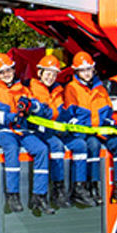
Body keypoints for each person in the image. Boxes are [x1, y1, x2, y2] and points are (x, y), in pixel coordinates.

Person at [0, 53, 51, 214]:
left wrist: (30, 105)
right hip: (1, 131)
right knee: (11, 147)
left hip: (22, 130)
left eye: (8, 70)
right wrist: (10, 118)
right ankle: (12, 195)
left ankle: (39, 195)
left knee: (41, 149)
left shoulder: (24, 90)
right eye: (2, 72)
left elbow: (42, 110)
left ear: (14, 70)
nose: (6, 74)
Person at [65, 52, 117, 205]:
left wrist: (109, 123)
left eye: (89, 69)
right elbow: (71, 115)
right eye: (83, 70)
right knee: (93, 146)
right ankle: (92, 186)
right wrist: (85, 128)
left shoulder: (101, 89)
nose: (87, 73)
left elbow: (108, 109)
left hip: (102, 131)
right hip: (87, 132)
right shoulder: (72, 89)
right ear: (76, 71)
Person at [24, 55, 84, 209]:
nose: (50, 77)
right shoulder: (31, 89)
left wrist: (70, 119)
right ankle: (56, 191)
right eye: (47, 73)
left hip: (54, 132)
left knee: (80, 145)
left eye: (54, 74)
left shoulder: (58, 90)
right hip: (37, 133)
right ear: (40, 73)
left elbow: (60, 112)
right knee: (56, 146)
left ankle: (78, 188)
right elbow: (40, 112)